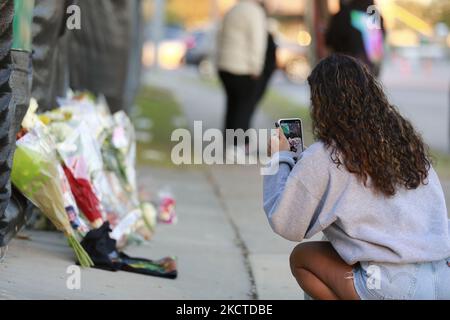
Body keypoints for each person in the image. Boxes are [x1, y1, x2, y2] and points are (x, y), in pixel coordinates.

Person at [264, 54, 450, 300]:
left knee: (303, 258)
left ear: (322, 105)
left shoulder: (327, 156)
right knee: (334, 251)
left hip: (394, 285)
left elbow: (286, 222)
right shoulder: (407, 145)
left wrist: (278, 160)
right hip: (441, 277)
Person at [217, 0, 267, 139]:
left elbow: (219, 36)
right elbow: (257, 41)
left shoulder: (232, 10)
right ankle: (237, 145)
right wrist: (257, 67)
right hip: (243, 67)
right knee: (243, 107)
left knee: (232, 104)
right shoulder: (255, 12)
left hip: (225, 65)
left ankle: (228, 142)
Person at [325, 0, 385, 76]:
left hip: (346, 65)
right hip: (370, 64)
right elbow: (382, 37)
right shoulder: (375, 15)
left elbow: (331, 39)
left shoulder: (343, 14)